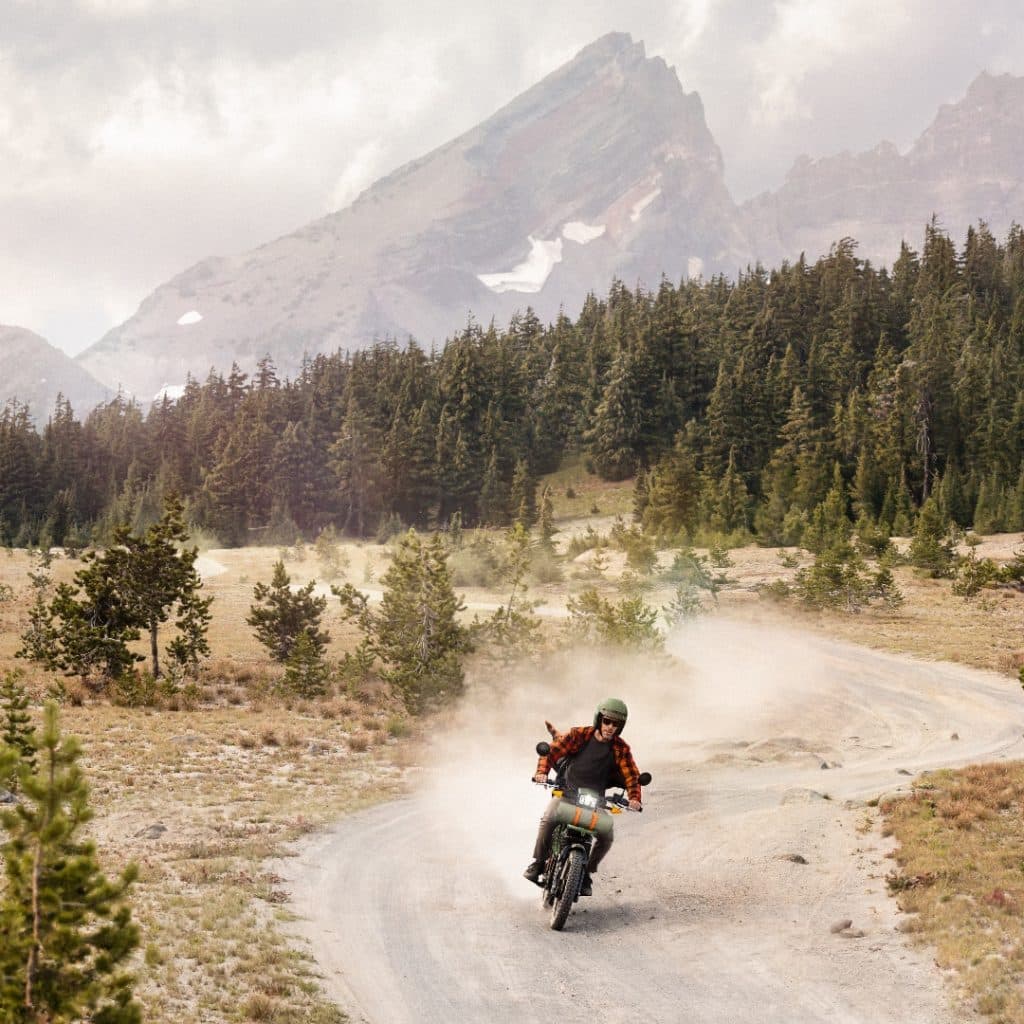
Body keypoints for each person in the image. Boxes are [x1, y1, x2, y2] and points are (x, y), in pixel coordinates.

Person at [523, 697, 643, 896]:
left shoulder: (621, 749)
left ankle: (586, 873)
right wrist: (542, 772)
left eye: (616, 724)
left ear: (620, 727)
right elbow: (552, 752)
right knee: (548, 818)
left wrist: (635, 798)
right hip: (567, 792)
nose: (610, 727)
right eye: (607, 721)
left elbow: (632, 775)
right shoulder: (579, 735)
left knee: (607, 836)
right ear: (599, 719)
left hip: (595, 800)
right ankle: (538, 863)